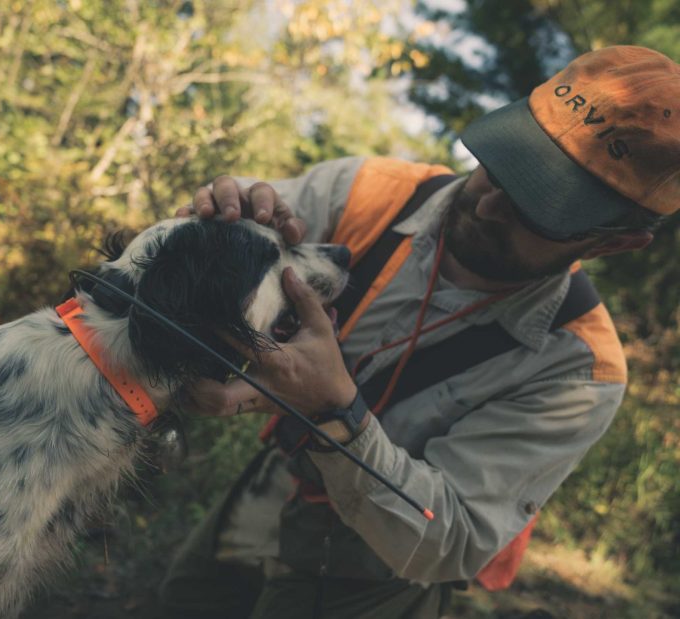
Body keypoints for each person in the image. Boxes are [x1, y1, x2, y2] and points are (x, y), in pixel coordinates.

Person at [162, 45, 680, 618]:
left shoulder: (579, 369)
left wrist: (338, 414)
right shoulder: (370, 190)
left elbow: (452, 539)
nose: (487, 206)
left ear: (614, 242)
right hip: (271, 486)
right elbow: (202, 259)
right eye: (503, 167)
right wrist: (215, 228)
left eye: (537, 209)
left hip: (375, 574)